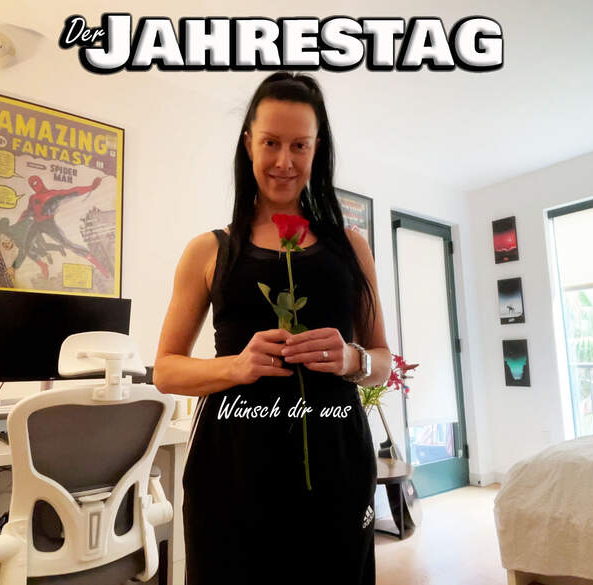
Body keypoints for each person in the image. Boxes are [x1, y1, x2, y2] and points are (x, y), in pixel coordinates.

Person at [153, 72, 392, 585]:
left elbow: (382, 363)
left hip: (337, 466)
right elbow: (165, 371)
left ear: (317, 149)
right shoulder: (208, 250)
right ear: (248, 144)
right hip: (232, 472)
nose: (284, 161)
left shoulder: (352, 247)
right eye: (271, 143)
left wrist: (351, 358)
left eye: (299, 145)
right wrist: (236, 366)